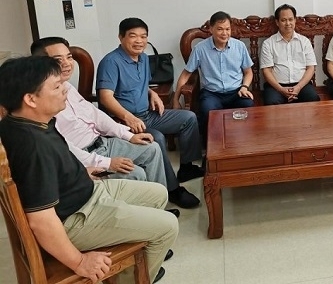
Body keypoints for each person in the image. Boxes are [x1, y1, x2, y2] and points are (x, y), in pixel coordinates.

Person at [0, 56, 178, 283]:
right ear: (30, 99)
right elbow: (41, 220)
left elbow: (59, 162)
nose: (65, 89)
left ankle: (133, 265)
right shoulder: (33, 147)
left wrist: (83, 171)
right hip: (76, 218)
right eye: (56, 86)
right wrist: (79, 262)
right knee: (168, 226)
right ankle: (134, 279)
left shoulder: (30, 121)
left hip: (86, 191)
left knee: (158, 193)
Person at [30, 37, 168, 188]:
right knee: (136, 173)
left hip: (102, 143)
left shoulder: (67, 86)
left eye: (69, 57)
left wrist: (129, 136)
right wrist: (108, 163)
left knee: (152, 148)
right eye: (58, 59)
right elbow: (63, 147)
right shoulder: (41, 101)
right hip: (83, 157)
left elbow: (95, 115)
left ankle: (162, 199)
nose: (67, 63)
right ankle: (149, 201)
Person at [97, 18, 201, 209]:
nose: (139, 41)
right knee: (157, 138)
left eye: (143, 36)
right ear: (121, 37)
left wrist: (152, 94)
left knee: (189, 118)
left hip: (147, 115)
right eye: (133, 36)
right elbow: (105, 97)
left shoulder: (144, 58)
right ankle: (171, 189)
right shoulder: (110, 62)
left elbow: (140, 84)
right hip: (123, 122)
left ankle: (187, 167)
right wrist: (128, 117)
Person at [173, 11, 254, 141]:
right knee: (207, 110)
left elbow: (248, 72)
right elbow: (185, 74)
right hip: (212, 93)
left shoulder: (239, 47)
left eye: (227, 29)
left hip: (236, 91)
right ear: (211, 29)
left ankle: (241, 141)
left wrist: (245, 87)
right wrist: (176, 100)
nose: (224, 33)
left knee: (248, 104)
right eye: (220, 29)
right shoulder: (200, 49)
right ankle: (210, 144)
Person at [260, 4, 320, 105]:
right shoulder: (268, 43)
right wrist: (281, 89)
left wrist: (298, 87)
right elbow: (266, 71)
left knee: (312, 98)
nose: (288, 23)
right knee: (272, 102)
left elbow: (311, 68)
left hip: (301, 85)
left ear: (295, 20)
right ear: (277, 22)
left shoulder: (304, 41)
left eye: (290, 19)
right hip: (276, 86)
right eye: (283, 20)